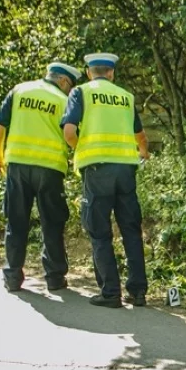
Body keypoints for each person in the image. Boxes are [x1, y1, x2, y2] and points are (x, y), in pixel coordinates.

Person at [61, 52, 150, 308]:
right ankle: (138, 292)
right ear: (111, 73)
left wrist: (82, 149)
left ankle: (110, 293)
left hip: (97, 170)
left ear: (89, 72)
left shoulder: (81, 92)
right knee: (131, 230)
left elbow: (69, 132)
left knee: (99, 232)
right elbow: (141, 137)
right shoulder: (125, 96)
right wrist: (143, 153)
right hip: (126, 171)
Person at [0, 62, 82, 292]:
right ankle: (55, 278)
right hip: (50, 169)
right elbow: (70, 133)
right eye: (70, 85)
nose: (70, 90)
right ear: (63, 80)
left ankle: (12, 277)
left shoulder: (20, 90)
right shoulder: (64, 101)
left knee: (16, 221)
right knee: (52, 223)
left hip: (18, 166)